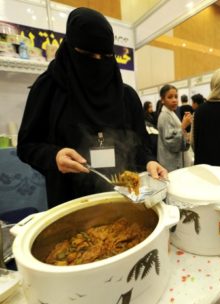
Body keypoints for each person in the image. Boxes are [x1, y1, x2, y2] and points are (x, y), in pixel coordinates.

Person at [17, 7, 167, 208]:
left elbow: (140, 145)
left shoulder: (126, 96)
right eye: (88, 54)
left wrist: (149, 162)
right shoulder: (49, 89)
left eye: (105, 56)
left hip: (124, 200)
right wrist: (54, 156)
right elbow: (27, 146)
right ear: (70, 47)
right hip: (70, 201)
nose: (97, 62)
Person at [157, 84, 192, 171]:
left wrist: (185, 134)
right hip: (170, 163)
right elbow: (171, 141)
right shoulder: (164, 116)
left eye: (176, 97)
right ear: (162, 100)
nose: (174, 100)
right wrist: (183, 126)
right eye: (170, 97)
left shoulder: (171, 113)